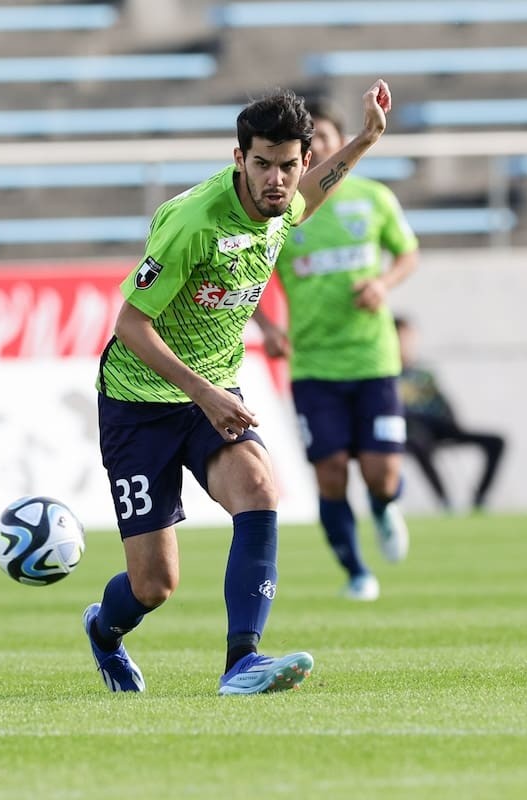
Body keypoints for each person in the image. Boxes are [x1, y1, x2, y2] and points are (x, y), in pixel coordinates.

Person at [85, 80, 392, 696]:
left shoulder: (284, 208)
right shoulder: (192, 223)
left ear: (303, 160)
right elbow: (130, 325)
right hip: (139, 402)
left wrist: (364, 140)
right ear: (238, 159)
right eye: (261, 165)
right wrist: (204, 392)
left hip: (212, 395)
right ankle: (103, 630)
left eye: (287, 166)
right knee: (153, 586)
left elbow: (313, 192)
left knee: (259, 489)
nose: (276, 181)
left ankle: (241, 663)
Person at [254, 99, 420, 603]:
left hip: (372, 358)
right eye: (313, 143)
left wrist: (384, 283)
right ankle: (356, 571)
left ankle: (387, 505)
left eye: (327, 138)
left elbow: (408, 253)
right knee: (330, 474)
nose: (321, 148)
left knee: (380, 473)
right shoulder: (285, 214)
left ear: (341, 142)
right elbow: (251, 275)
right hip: (314, 363)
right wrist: (268, 327)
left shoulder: (373, 198)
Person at [395, 316, 506, 512]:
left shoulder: (424, 373)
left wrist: (452, 422)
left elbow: (442, 403)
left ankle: (480, 498)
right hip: (411, 432)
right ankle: (445, 501)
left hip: (439, 427)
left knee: (496, 441)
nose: (408, 345)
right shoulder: (386, 376)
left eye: (410, 339)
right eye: (403, 339)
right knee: (419, 440)